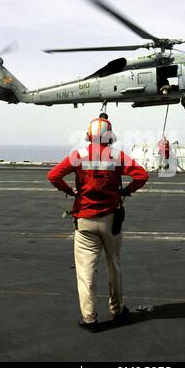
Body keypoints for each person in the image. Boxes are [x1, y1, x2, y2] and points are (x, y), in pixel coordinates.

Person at [47, 114, 149, 332]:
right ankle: (118, 310)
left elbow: (53, 175)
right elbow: (142, 176)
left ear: (88, 135)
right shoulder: (116, 155)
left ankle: (90, 318)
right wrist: (126, 191)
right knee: (114, 265)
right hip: (111, 221)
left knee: (85, 272)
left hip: (84, 220)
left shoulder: (79, 155)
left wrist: (71, 191)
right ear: (110, 136)